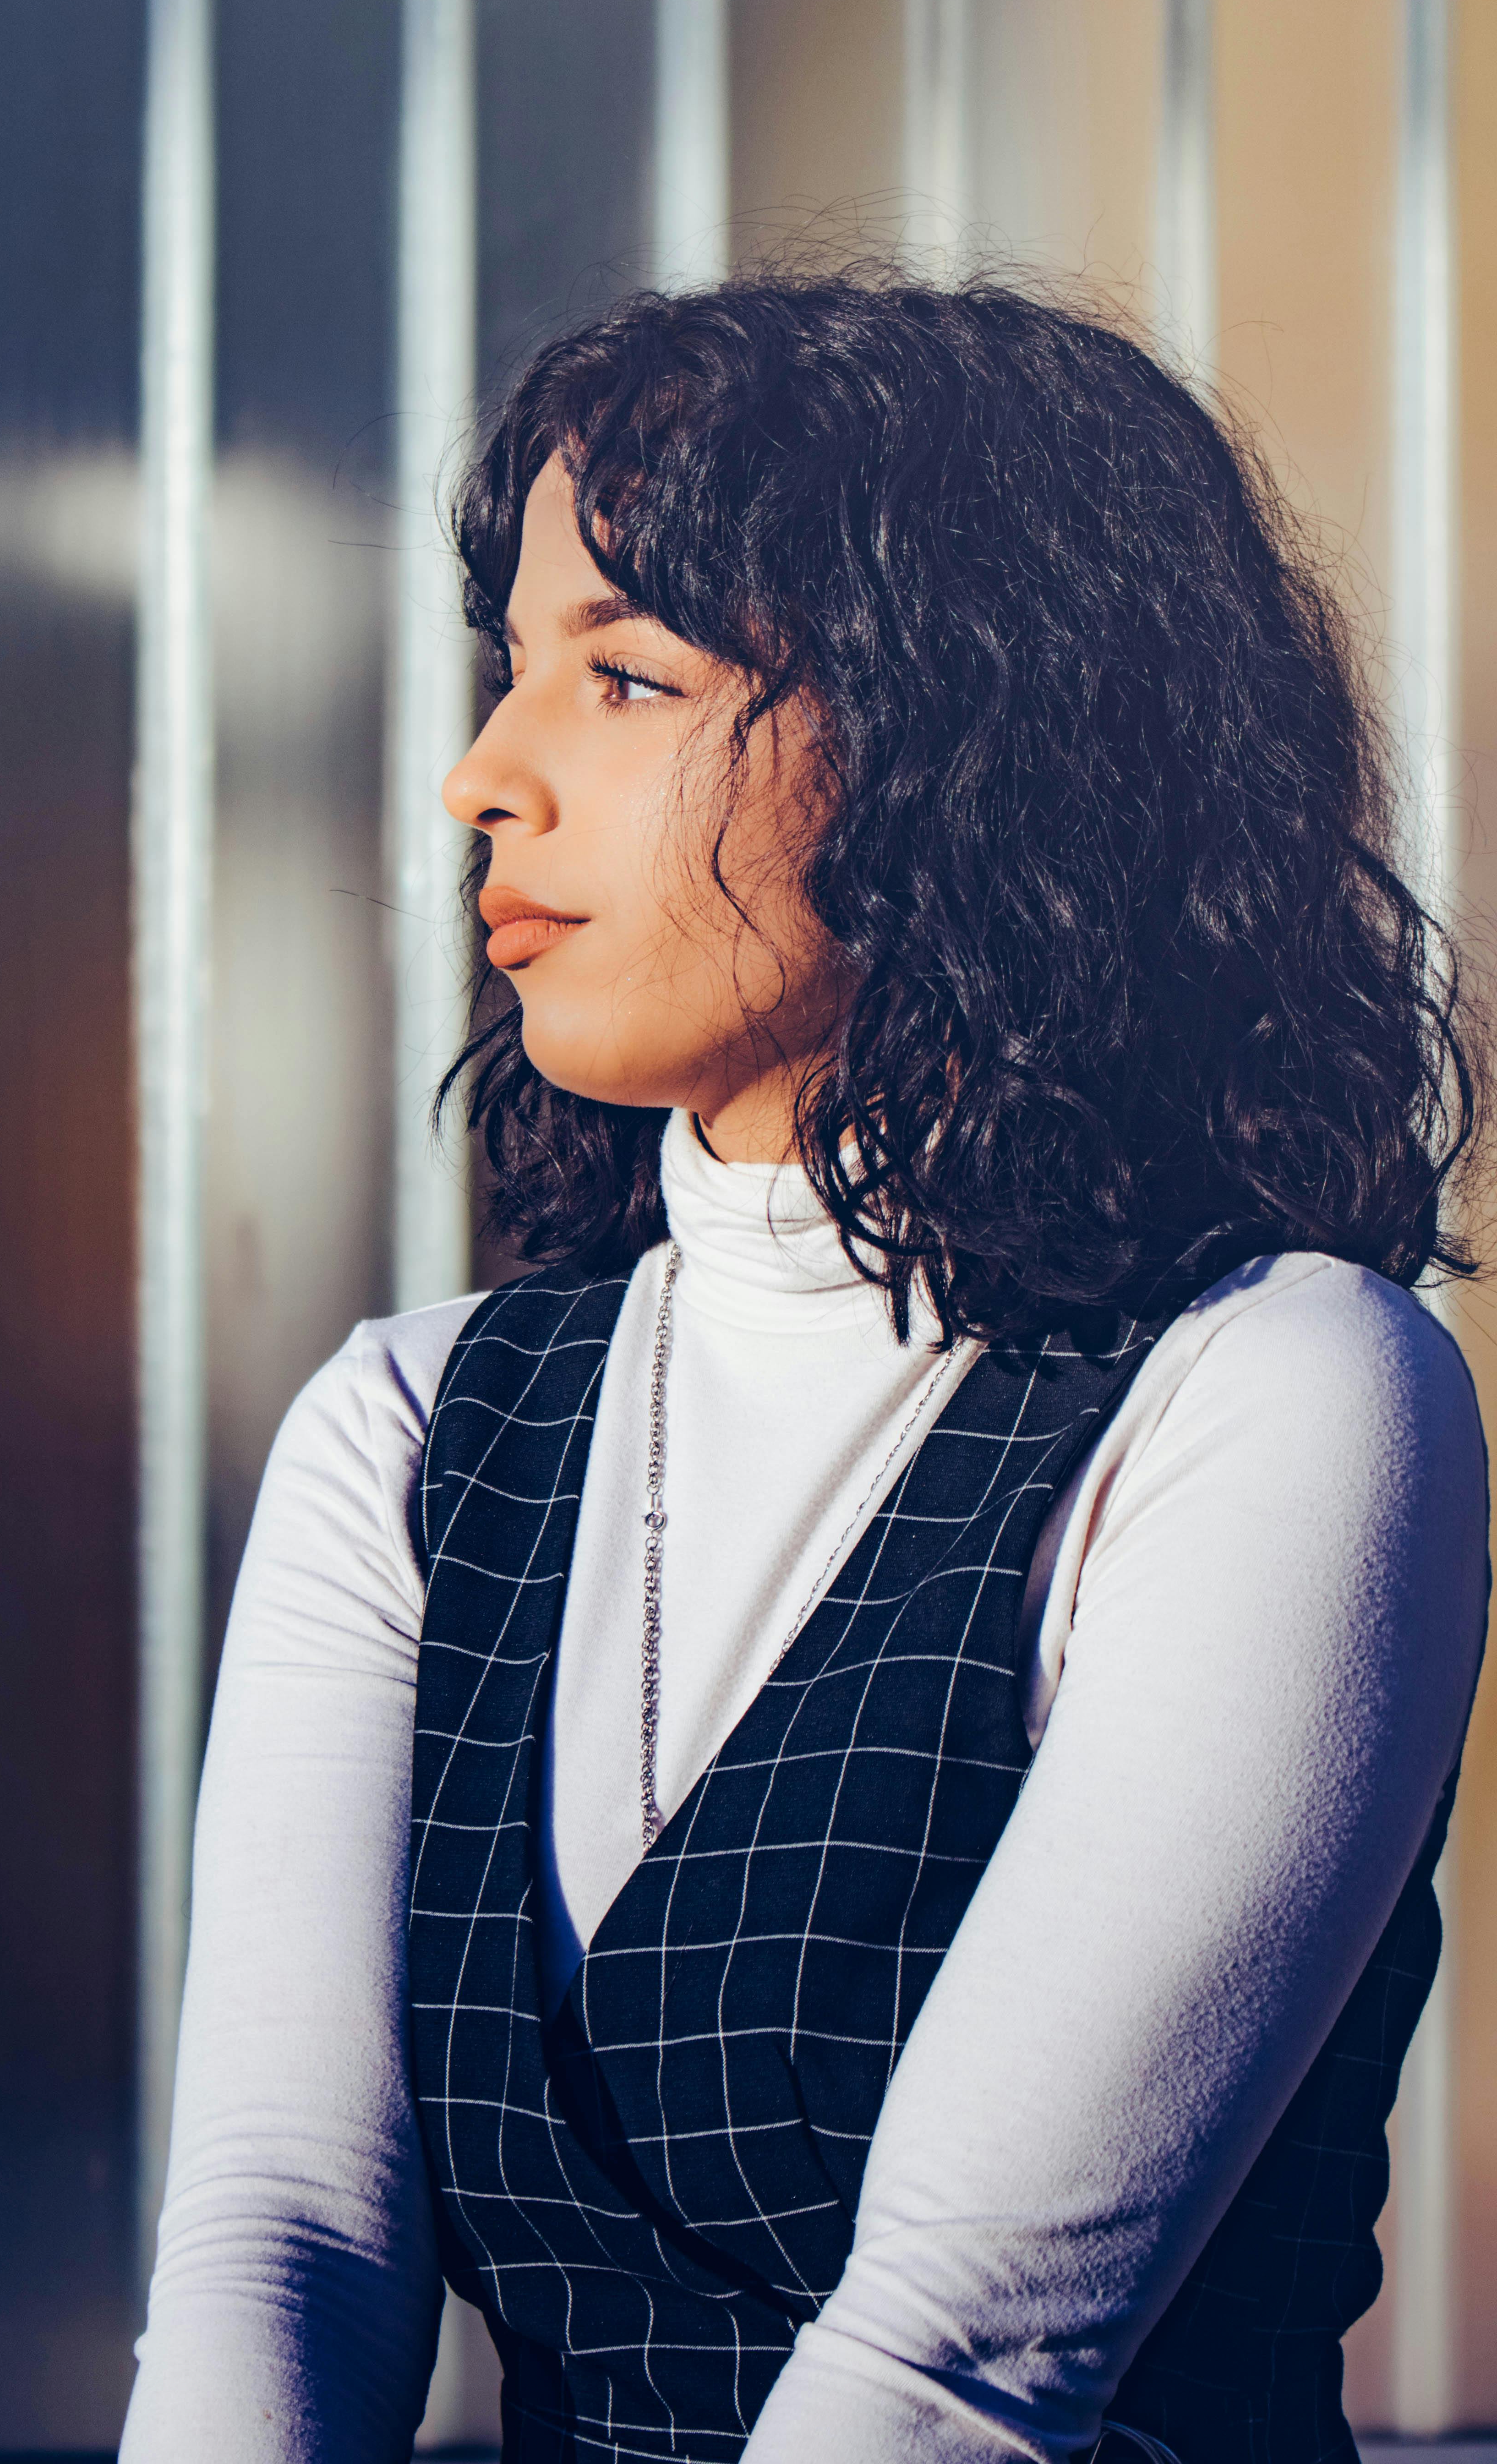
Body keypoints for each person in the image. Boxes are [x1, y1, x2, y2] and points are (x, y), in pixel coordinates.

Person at [119, 273, 1488, 2464]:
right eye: (510, 674)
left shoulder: (1279, 1398)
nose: (485, 774)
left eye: (626, 676)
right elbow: (280, 2247)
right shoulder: (413, 1433)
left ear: (966, 748)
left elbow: (960, 2367)